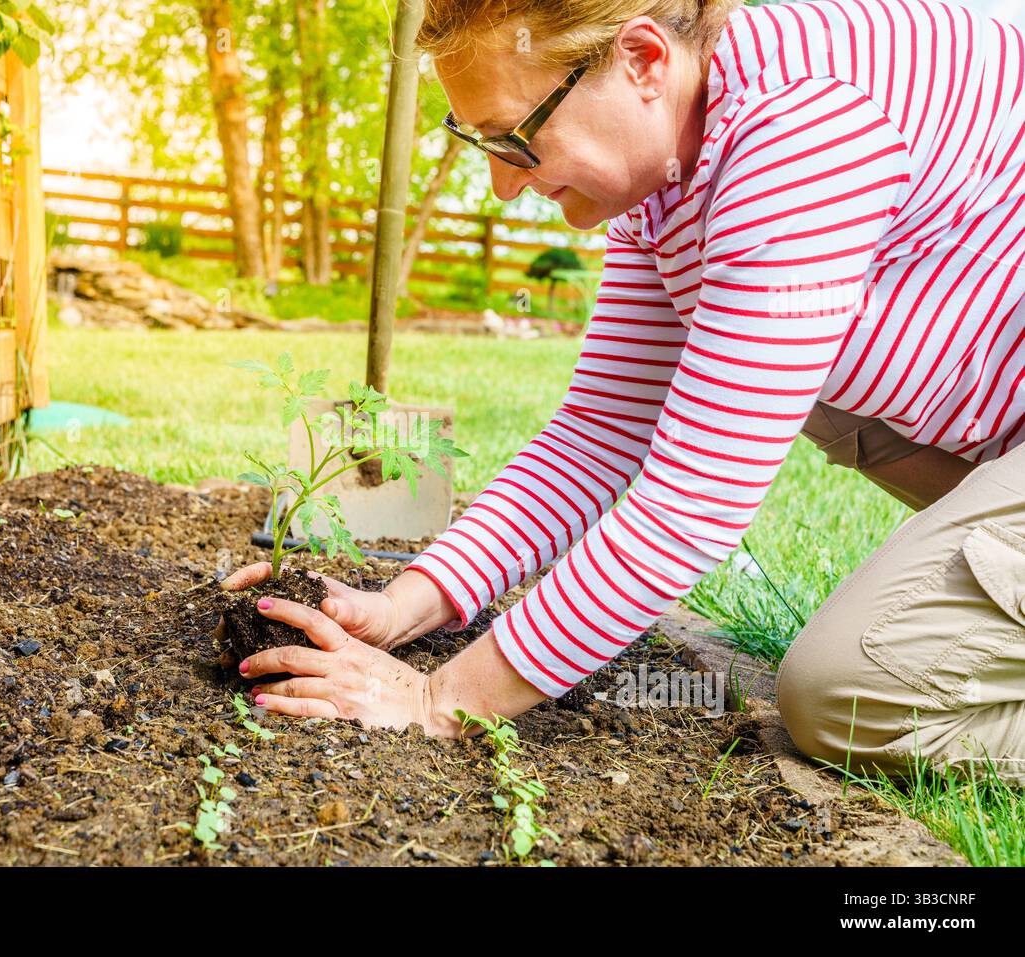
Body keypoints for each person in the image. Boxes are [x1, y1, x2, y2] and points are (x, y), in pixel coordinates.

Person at [228, 0, 1025, 785]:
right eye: (479, 141)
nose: (504, 184)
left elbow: (689, 503)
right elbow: (598, 434)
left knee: (849, 693)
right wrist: (405, 604)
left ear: (642, 60)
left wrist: (441, 699)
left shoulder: (804, 129)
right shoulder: (671, 167)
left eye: (517, 137)